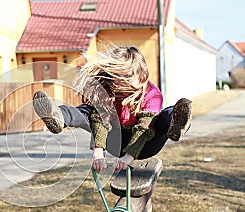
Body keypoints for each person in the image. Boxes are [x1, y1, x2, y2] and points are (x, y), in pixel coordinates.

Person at [33, 46, 192, 171]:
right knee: (87, 112)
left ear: (142, 74)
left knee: (164, 115)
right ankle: (59, 116)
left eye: (127, 77)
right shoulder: (108, 92)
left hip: (146, 143)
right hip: (116, 142)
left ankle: (176, 122)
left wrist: (128, 158)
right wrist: (98, 154)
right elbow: (99, 122)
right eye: (118, 78)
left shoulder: (152, 93)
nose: (122, 83)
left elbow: (144, 128)